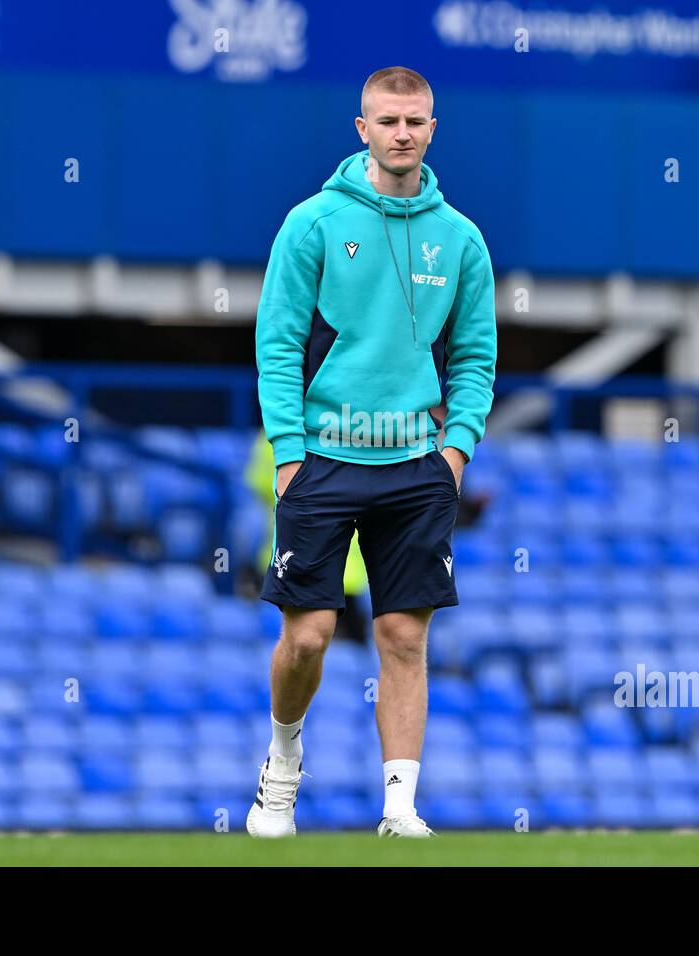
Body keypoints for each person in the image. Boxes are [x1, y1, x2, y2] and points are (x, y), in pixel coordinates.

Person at [248, 66, 497, 838]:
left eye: (415, 121)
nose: (402, 133)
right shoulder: (313, 223)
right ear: (362, 129)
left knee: (403, 635)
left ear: (432, 128)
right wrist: (290, 454)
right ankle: (282, 765)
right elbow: (278, 343)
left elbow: (475, 357)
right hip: (322, 461)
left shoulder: (461, 240)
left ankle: (399, 808)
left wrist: (454, 455)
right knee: (309, 635)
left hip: (416, 467)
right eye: (387, 120)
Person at [245, 429, 371, 645]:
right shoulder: (357, 427)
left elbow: (264, 489)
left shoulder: (274, 430)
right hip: (338, 572)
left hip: (294, 566)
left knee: (295, 650)